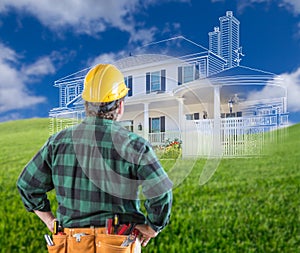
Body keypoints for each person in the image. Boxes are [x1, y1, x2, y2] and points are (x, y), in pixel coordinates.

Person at [17, 63, 173, 252]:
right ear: (120, 105)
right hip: (118, 243)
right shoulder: (135, 146)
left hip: (70, 243)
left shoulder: (58, 142)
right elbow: (161, 192)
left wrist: (50, 221)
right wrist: (153, 227)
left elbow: (27, 185)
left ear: (86, 104)